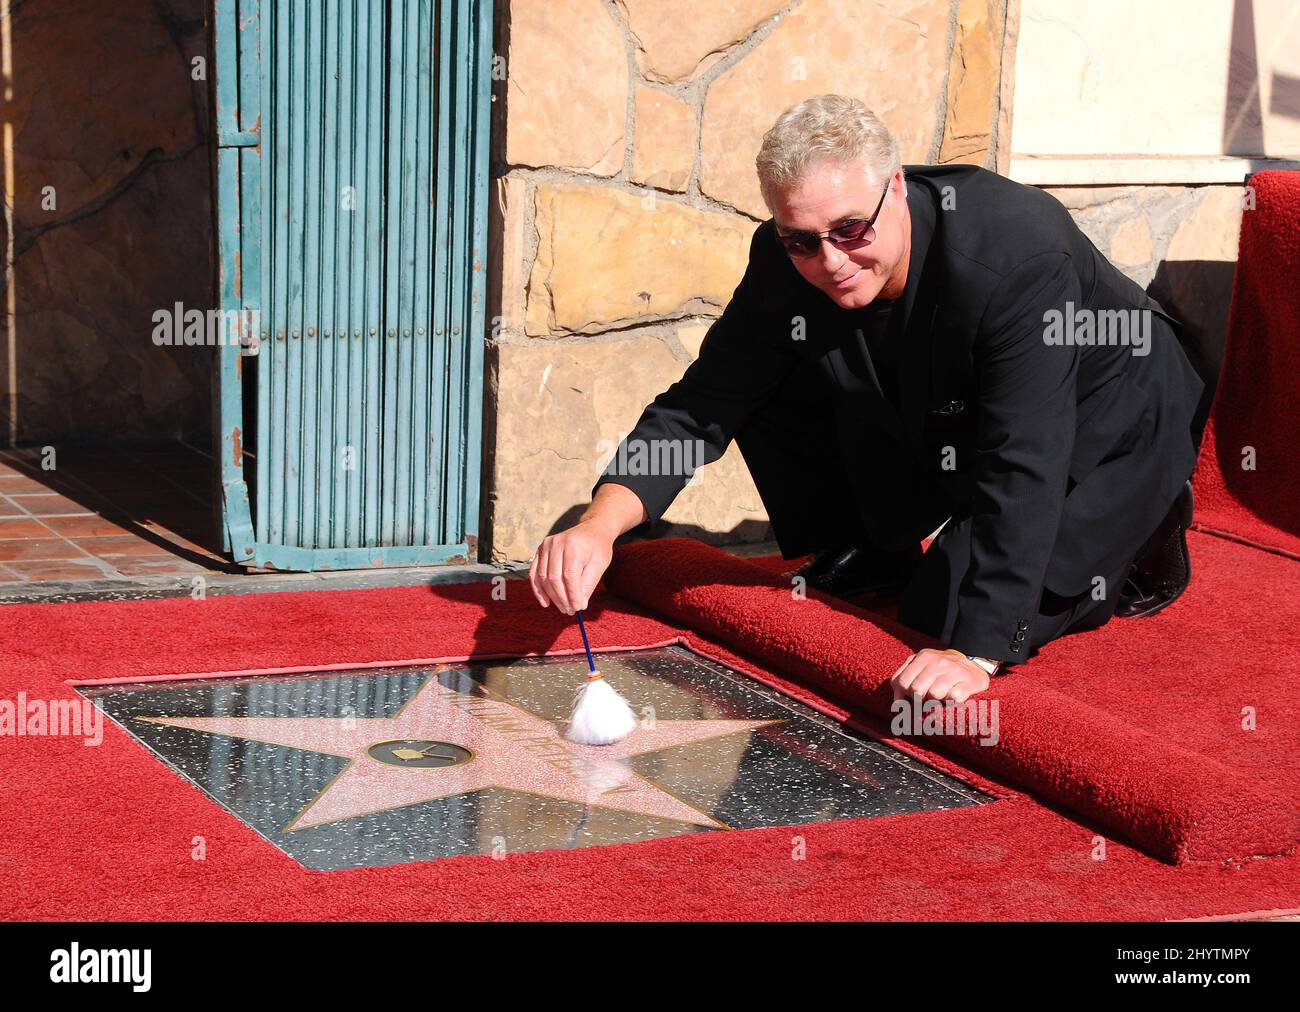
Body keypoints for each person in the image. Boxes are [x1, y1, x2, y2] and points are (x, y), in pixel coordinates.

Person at [529, 94, 1204, 706]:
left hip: (1112, 417)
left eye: (851, 229)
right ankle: (872, 544)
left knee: (946, 608)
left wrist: (976, 651)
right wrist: (599, 526)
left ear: (898, 189)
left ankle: (1141, 530)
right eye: (802, 240)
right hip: (964, 403)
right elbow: (705, 403)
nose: (831, 260)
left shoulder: (1017, 253)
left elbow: (1024, 456)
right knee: (775, 372)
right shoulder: (788, 259)